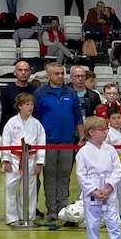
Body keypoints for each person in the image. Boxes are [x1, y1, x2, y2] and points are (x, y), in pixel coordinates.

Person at [33, 63, 85, 221]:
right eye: (56, 73)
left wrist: (81, 138)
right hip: (48, 141)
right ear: (48, 75)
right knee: (49, 176)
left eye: (62, 73)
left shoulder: (71, 92)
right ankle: (51, 209)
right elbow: (35, 119)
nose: (60, 76)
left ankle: (62, 207)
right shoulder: (40, 93)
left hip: (67, 141)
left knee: (64, 175)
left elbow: (77, 117)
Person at [76, 116, 121, 239]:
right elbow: (81, 175)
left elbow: (117, 170)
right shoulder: (83, 152)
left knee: (114, 222)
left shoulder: (110, 150)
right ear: (91, 132)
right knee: (92, 224)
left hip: (109, 189)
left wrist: (109, 187)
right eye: (102, 130)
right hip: (92, 190)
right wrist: (94, 191)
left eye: (106, 129)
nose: (106, 132)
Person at [1, 93, 45, 225]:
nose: (30, 107)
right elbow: (5, 142)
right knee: (10, 187)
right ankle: (12, 217)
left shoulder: (36, 124)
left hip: (31, 159)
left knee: (30, 189)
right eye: (27, 104)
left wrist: (39, 162)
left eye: (31, 104)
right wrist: (6, 160)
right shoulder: (11, 123)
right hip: (14, 158)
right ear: (20, 106)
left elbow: (41, 143)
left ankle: (28, 216)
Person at [0, 60, 34, 134]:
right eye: (20, 70)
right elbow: (3, 114)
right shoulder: (7, 90)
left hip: (31, 130)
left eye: (26, 70)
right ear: (15, 72)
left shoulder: (36, 90)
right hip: (12, 131)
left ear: (30, 73)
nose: (23, 73)